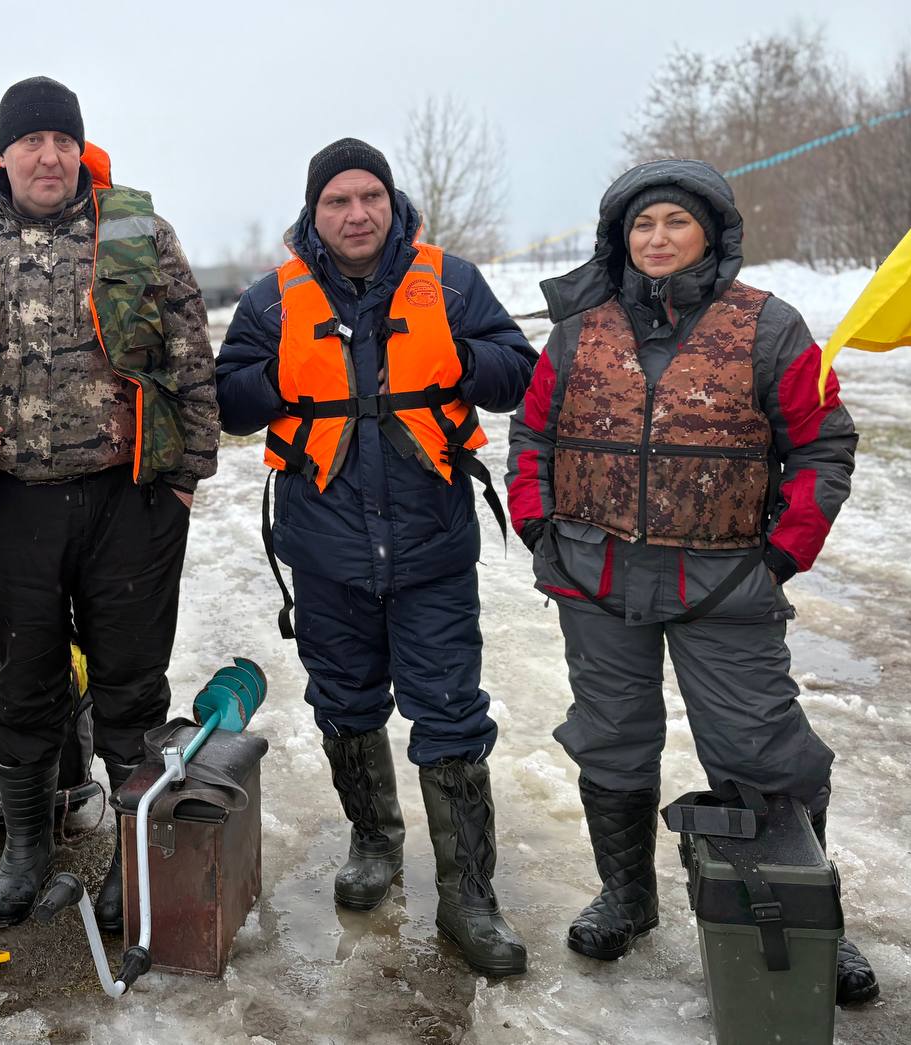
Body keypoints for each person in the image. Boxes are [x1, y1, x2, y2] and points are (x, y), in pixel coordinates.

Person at [505, 158, 878, 1004]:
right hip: (596, 577)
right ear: (621, 239)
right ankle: (628, 895)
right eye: (642, 225)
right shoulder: (578, 330)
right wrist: (539, 528)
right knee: (611, 739)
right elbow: (531, 435)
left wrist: (783, 554)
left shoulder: (769, 327)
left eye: (675, 221)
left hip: (726, 584)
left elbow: (824, 443)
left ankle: (809, 911)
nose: (658, 238)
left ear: (711, 231)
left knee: (762, 746)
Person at [0, 76, 218, 929]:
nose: (49, 155)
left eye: (63, 140)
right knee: (25, 683)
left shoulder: (137, 229)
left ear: (81, 149)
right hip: (9, 504)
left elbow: (190, 352)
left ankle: (131, 857)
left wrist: (186, 480)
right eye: (31, 140)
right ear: (5, 151)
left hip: (128, 498)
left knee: (130, 686)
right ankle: (28, 847)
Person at [216, 139, 536, 977]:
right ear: (313, 213)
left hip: (431, 546)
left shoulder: (454, 283)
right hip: (325, 550)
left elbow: (519, 374)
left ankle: (470, 896)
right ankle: (374, 839)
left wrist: (462, 359)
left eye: (370, 198)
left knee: (451, 714)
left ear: (392, 205)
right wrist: (278, 378)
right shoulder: (272, 301)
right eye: (337, 202)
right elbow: (228, 400)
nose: (356, 214)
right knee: (346, 703)